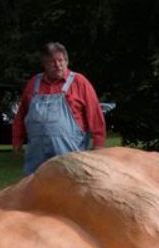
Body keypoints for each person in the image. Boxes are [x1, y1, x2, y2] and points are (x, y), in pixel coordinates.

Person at [11, 43, 106, 175]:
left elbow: (95, 114)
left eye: (60, 60)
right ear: (44, 64)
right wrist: (17, 140)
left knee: (70, 187)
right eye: (52, 62)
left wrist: (99, 145)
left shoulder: (79, 82)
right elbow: (21, 115)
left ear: (66, 61)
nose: (58, 65)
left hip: (69, 152)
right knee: (35, 190)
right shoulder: (34, 83)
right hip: (36, 155)